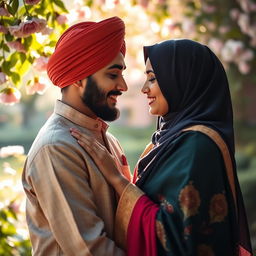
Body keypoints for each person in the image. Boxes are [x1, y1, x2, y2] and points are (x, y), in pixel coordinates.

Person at [70, 39, 253, 256]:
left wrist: (116, 180)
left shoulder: (198, 145)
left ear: (183, 80)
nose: (144, 89)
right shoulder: (168, 139)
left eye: (153, 79)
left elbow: (180, 240)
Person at [22, 16, 131, 255]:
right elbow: (88, 249)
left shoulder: (108, 141)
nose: (123, 86)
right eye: (113, 75)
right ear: (79, 79)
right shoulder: (56, 147)